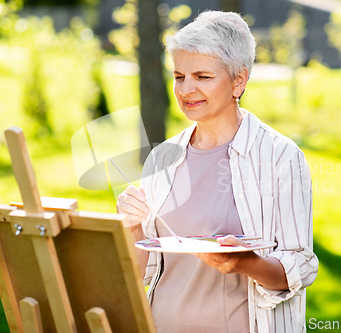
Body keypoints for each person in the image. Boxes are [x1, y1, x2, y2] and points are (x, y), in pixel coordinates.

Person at [116, 10, 318, 333]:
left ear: (239, 80)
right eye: (179, 76)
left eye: (202, 76)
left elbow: (300, 267)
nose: (186, 90)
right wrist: (132, 228)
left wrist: (242, 262)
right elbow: (142, 271)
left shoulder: (280, 157)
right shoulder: (162, 158)